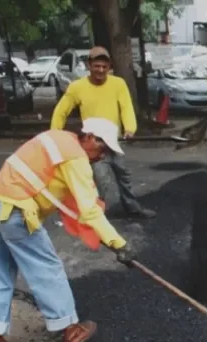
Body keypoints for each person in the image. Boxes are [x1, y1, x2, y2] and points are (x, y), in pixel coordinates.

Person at [0, 118, 137, 342]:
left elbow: (66, 202)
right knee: (46, 268)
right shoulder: (75, 155)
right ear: (90, 137)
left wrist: (101, 234)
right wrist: (119, 244)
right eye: (102, 148)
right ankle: (70, 330)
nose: (101, 156)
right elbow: (89, 209)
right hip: (17, 212)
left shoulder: (57, 140)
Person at [51, 46, 156, 219]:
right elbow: (61, 111)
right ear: (89, 65)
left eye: (104, 67)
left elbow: (126, 107)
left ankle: (132, 207)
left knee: (124, 176)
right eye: (96, 66)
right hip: (94, 145)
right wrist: (55, 134)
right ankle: (97, 215)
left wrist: (130, 128)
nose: (100, 70)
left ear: (109, 67)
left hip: (115, 142)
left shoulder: (118, 84)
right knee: (101, 181)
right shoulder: (78, 87)